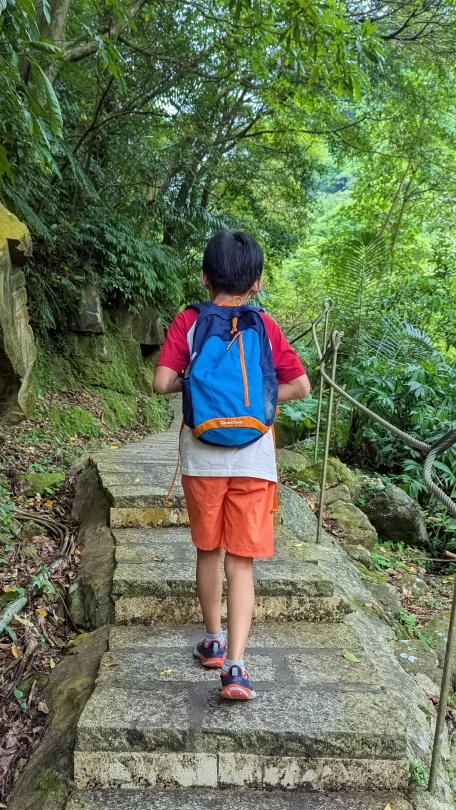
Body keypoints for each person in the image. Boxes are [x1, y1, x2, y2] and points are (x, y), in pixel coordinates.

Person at [152, 230, 310, 700]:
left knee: (209, 552)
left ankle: (214, 641)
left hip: (202, 459)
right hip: (255, 461)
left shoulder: (189, 321)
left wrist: (201, 391)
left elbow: (161, 383)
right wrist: (257, 401)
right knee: (242, 565)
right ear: (257, 283)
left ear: (204, 277)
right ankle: (237, 668)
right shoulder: (266, 325)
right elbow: (299, 386)